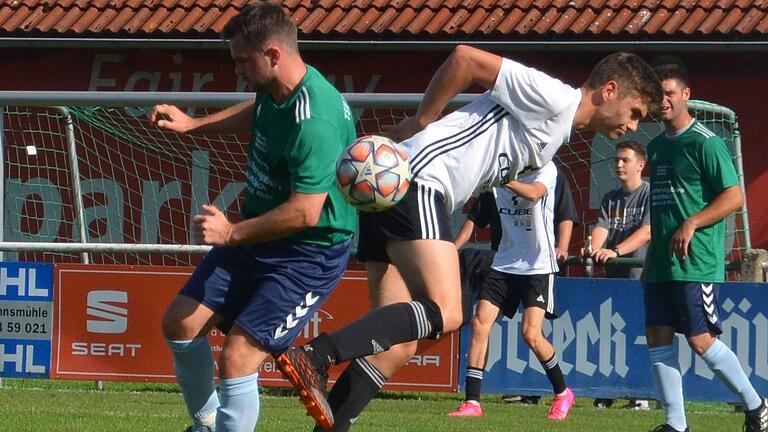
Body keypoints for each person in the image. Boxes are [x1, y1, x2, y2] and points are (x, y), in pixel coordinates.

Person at [276, 45, 663, 431]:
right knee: (449, 311)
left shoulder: (557, 129)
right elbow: (465, 58)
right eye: (634, 113)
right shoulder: (558, 98)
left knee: (394, 347)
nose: (632, 126)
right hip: (419, 185)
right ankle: (316, 356)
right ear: (609, 90)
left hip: (393, 190)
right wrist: (423, 119)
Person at [153, 3, 357, 431]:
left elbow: (305, 212)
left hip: (309, 254)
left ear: (273, 54)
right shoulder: (276, 90)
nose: (237, 70)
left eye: (242, 61)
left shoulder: (315, 120)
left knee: (237, 358)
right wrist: (194, 125)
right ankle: (208, 424)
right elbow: (258, 111)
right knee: (179, 323)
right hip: (256, 239)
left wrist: (229, 231)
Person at [644, 63, 767, 432]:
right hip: (661, 264)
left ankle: (757, 405)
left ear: (685, 94)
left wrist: (693, 222)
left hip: (695, 262)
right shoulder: (654, 147)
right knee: (658, 336)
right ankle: (676, 424)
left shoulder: (705, 142)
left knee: (701, 341)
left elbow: (734, 197)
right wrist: (652, 253)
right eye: (657, 94)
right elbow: (661, 208)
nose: (662, 101)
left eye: (668, 93)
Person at [447, 162, 575, 420]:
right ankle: (472, 402)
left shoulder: (546, 170)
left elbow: (534, 193)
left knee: (530, 334)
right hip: (503, 263)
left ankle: (563, 393)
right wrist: (451, 250)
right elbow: (474, 219)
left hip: (538, 265)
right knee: (480, 323)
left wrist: (502, 180)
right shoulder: (497, 179)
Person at [588, 140, 651, 409]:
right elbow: (601, 229)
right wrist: (592, 248)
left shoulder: (650, 193)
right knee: (612, 335)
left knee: (639, 333)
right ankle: (608, 390)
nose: (619, 164)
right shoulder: (611, 198)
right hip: (614, 280)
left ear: (641, 164)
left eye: (625, 159)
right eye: (617, 159)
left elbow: (647, 232)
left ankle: (641, 395)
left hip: (641, 277)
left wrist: (615, 250)